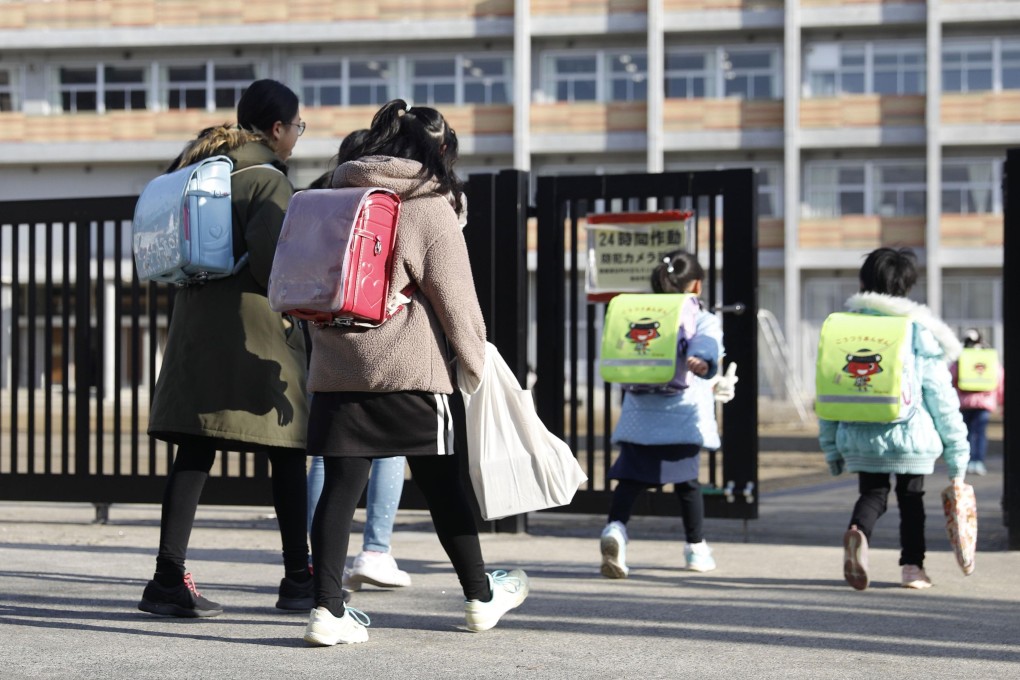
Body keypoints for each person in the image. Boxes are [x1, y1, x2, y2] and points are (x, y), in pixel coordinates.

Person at [302, 99, 529, 646]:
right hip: (412, 373)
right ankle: (479, 596)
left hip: (336, 369)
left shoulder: (332, 193)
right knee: (444, 487)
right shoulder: (430, 207)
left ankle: (327, 611)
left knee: (338, 489)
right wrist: (476, 367)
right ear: (435, 150)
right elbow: (457, 302)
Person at [138, 79, 312, 618]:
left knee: (193, 448)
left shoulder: (200, 168)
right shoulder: (269, 182)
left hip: (196, 328)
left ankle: (167, 578)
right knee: (287, 454)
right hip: (253, 333)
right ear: (278, 129)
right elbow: (271, 265)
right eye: (297, 127)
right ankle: (298, 579)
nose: (297, 137)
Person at [820, 247, 969, 591]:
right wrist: (958, 454)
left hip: (859, 433)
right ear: (907, 287)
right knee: (911, 501)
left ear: (864, 282)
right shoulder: (916, 330)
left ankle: (859, 531)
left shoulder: (845, 328)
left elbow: (828, 393)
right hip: (911, 435)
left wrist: (831, 447)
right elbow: (941, 396)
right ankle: (913, 568)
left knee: (873, 494)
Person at [303, 130, 411, 592]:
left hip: (323, 332)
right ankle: (375, 551)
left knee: (328, 455)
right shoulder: (385, 199)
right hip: (380, 336)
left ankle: (316, 560)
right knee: (389, 444)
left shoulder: (320, 194)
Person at [600, 249, 724, 579]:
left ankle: (615, 529)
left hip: (639, 414)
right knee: (687, 484)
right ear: (696, 285)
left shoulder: (641, 311)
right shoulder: (701, 315)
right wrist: (701, 360)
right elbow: (708, 342)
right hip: (681, 415)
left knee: (629, 481)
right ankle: (696, 549)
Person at [949, 329, 1004, 476]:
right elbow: (999, 378)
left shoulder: (961, 357)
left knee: (965, 433)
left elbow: (950, 378)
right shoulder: (988, 357)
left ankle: (965, 462)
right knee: (980, 433)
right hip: (984, 402)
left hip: (964, 402)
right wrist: (1001, 401)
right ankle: (978, 461)